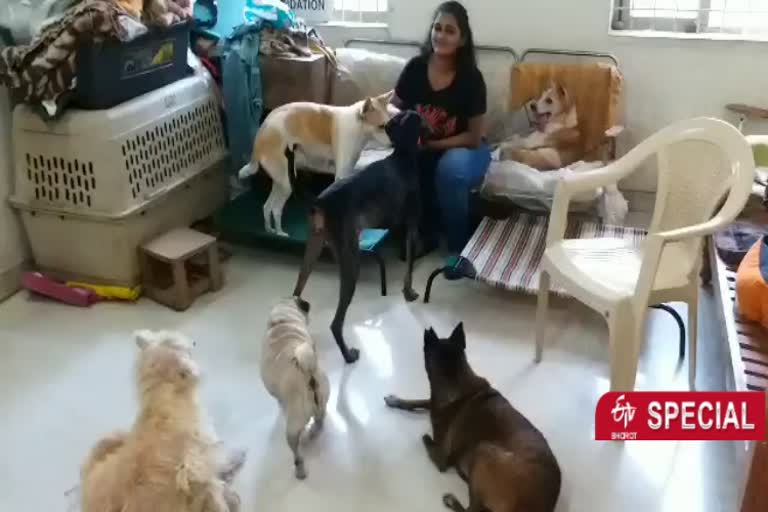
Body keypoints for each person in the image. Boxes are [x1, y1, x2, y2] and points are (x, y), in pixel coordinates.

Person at [392, 1, 491, 279]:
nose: (441, 35)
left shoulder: (471, 79)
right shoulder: (415, 68)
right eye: (437, 28)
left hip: (467, 150)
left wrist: (431, 145)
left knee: (450, 167)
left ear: (462, 39)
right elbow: (392, 109)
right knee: (405, 163)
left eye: (450, 30)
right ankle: (425, 233)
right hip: (423, 150)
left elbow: (473, 137)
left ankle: (459, 250)